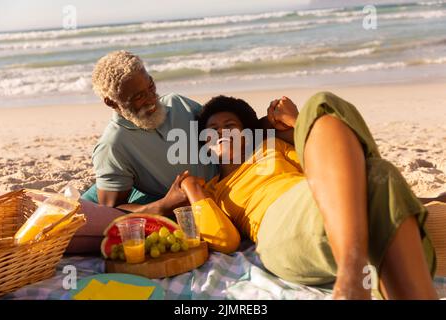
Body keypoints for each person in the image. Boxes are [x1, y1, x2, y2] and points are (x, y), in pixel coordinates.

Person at [178, 93, 438, 300]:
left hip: (320, 194)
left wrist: (294, 122)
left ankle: (352, 273)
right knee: (380, 173)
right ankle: (355, 273)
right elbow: (225, 240)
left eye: (230, 126)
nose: (221, 133)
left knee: (323, 103)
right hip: (279, 226)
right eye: (212, 130)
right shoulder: (213, 191)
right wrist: (193, 189)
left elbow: (330, 159)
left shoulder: (273, 149)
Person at [81, 50, 293, 216]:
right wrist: (166, 204)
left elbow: (225, 129)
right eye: (139, 96)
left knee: (287, 132)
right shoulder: (114, 145)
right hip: (207, 202)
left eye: (151, 86)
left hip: (238, 174)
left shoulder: (177, 103)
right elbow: (111, 210)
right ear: (111, 102)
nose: (151, 98)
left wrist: (274, 119)